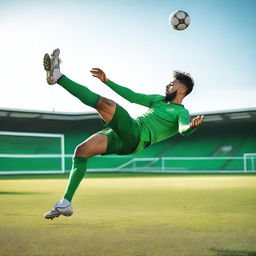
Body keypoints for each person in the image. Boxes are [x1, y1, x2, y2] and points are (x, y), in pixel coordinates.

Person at [43, 48, 204, 219]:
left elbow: (183, 129)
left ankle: (58, 77)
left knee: (106, 104)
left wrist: (191, 127)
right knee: (81, 151)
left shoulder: (182, 112)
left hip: (136, 136)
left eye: (173, 84)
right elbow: (132, 96)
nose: (168, 85)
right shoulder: (157, 100)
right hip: (125, 133)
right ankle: (65, 203)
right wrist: (107, 81)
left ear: (182, 91)